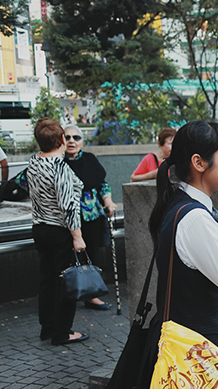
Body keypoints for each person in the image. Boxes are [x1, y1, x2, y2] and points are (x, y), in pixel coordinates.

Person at [148, 121, 218, 365]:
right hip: (204, 352)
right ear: (199, 163)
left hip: (196, 344)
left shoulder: (181, 205)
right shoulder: (195, 218)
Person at [28, 118, 88, 345]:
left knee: (47, 280)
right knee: (65, 281)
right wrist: (77, 236)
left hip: (40, 228)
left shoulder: (33, 162)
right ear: (62, 139)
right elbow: (68, 205)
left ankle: (48, 328)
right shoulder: (59, 168)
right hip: (60, 231)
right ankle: (63, 332)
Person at [62, 125, 117, 311]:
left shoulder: (90, 159)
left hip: (91, 216)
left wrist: (108, 201)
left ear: (82, 141)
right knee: (65, 257)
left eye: (76, 137)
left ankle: (91, 295)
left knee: (91, 254)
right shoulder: (57, 162)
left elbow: (102, 184)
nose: (71, 141)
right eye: (67, 137)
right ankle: (66, 296)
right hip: (66, 219)